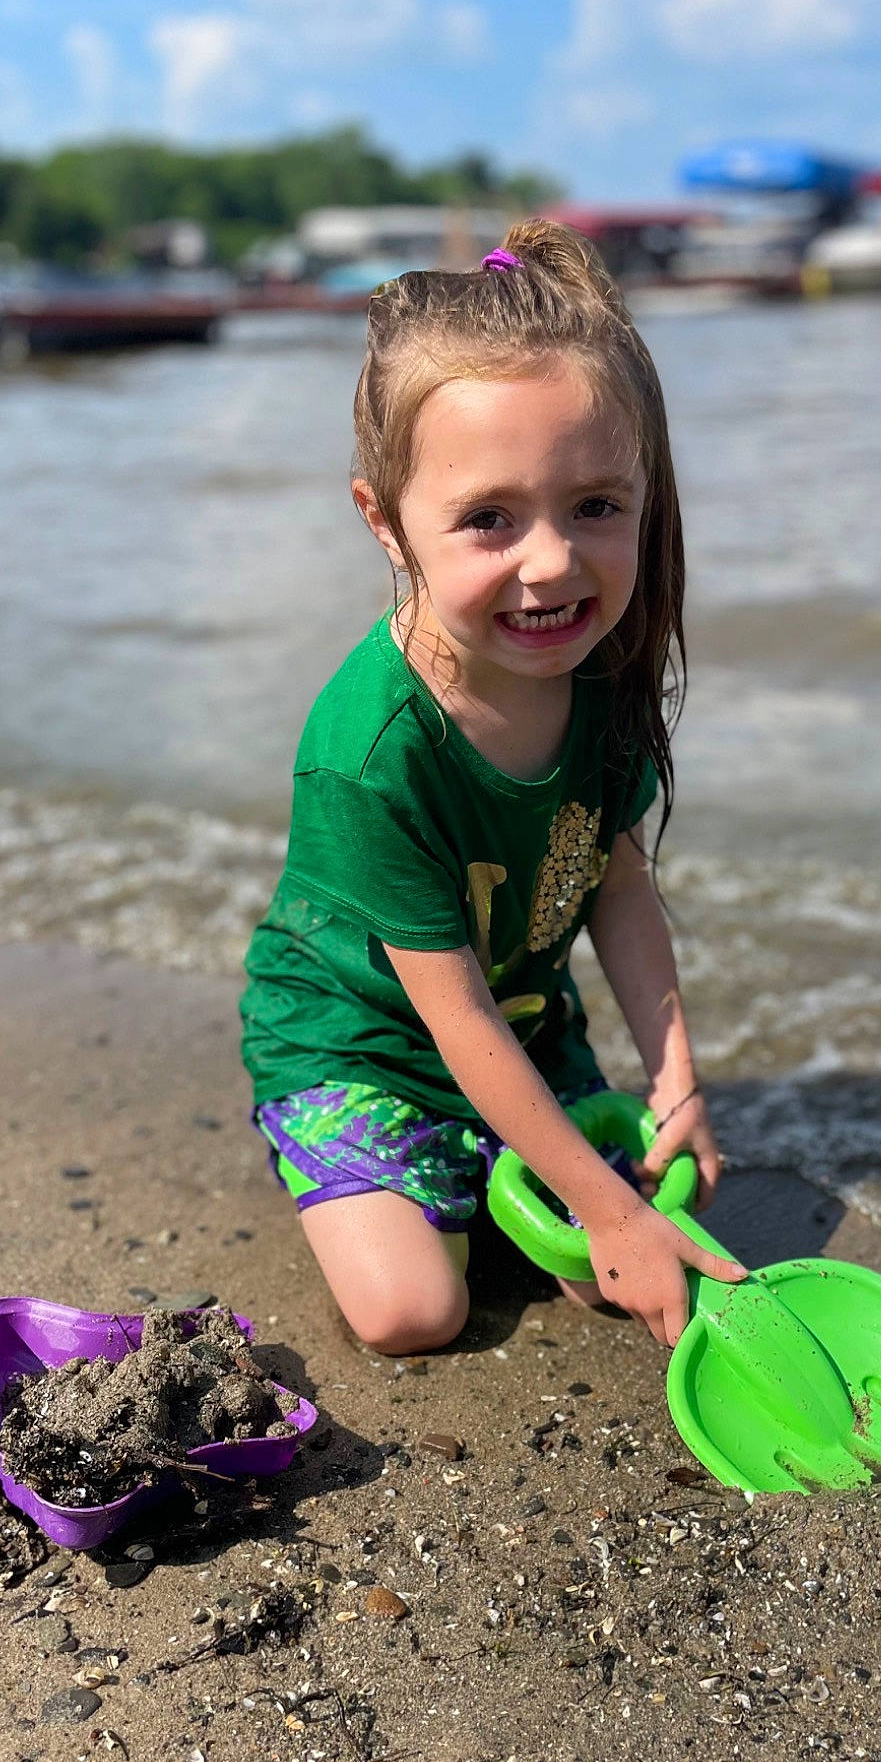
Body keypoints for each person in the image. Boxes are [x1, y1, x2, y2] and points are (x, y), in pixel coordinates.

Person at [240, 219, 745, 1356]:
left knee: (605, 1275)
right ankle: (334, 1146)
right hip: (363, 1042)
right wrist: (608, 1207)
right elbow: (451, 1013)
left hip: (525, 1024)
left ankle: (511, 1165)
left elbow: (618, 891)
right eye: (489, 518)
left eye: (596, 506)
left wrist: (677, 1086)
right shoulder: (371, 749)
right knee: (416, 1313)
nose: (554, 561)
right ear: (385, 519)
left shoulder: (601, 675)